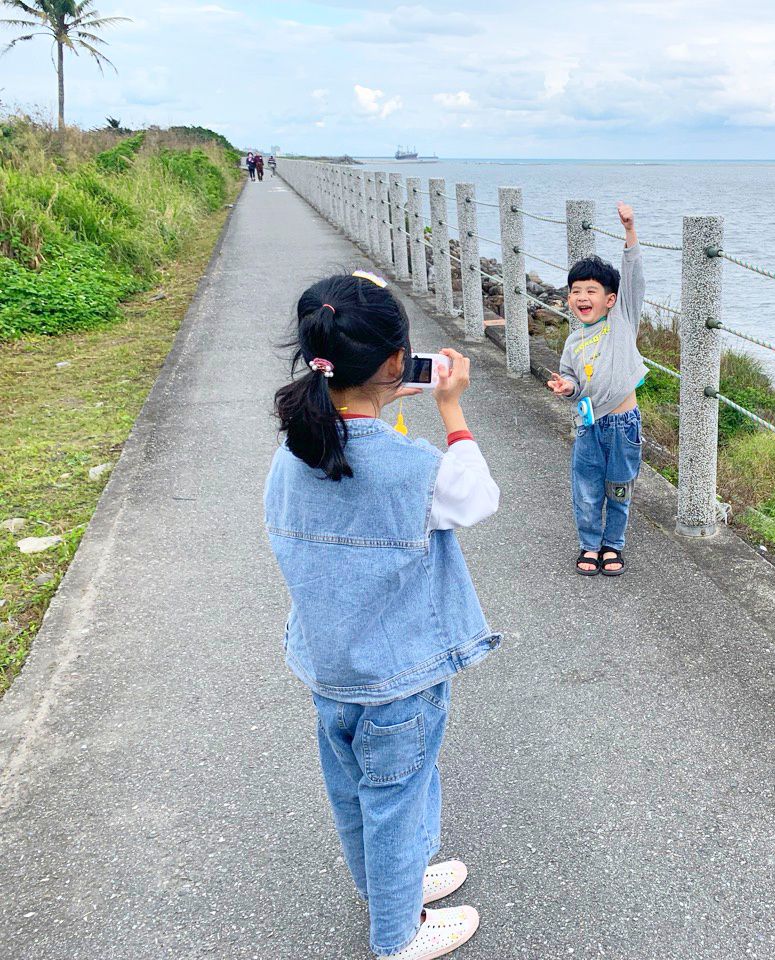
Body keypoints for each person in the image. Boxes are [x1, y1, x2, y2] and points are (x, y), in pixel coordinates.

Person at [263, 270, 499, 959]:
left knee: (357, 793)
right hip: (397, 676)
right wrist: (452, 409)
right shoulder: (408, 466)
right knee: (397, 798)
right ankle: (398, 934)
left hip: (330, 665)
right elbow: (477, 497)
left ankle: (391, 884)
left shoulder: (291, 453)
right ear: (397, 365)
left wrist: (391, 387)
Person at [546, 202, 645, 577]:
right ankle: (590, 544)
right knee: (586, 489)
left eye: (591, 290)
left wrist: (630, 231)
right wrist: (565, 386)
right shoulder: (573, 341)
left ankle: (613, 545)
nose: (582, 297)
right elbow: (573, 382)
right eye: (575, 291)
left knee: (618, 489)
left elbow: (633, 278)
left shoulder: (622, 322)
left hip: (623, 426)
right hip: (588, 427)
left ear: (610, 299)